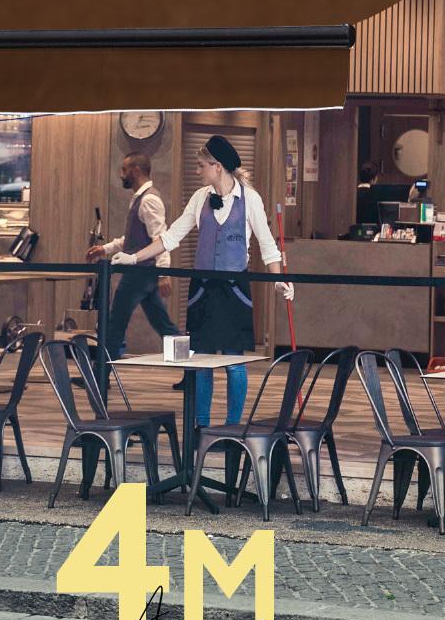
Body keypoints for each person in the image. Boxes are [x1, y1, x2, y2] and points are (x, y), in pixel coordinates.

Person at [111, 135, 293, 428]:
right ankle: (202, 427)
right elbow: (170, 237)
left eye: (201, 166)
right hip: (202, 291)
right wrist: (133, 258)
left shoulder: (250, 199)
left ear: (217, 166)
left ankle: (232, 429)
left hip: (235, 291)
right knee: (201, 364)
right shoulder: (199, 198)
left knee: (234, 363)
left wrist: (277, 281)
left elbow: (268, 245)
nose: (197, 171)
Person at [87, 152, 181, 362]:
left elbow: (161, 239)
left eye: (124, 169)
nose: (121, 174)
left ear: (136, 171)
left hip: (138, 274)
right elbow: (132, 239)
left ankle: (100, 373)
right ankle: (190, 372)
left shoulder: (149, 200)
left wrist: (163, 274)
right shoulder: (140, 198)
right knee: (164, 325)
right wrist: (105, 249)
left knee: (115, 325)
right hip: (145, 274)